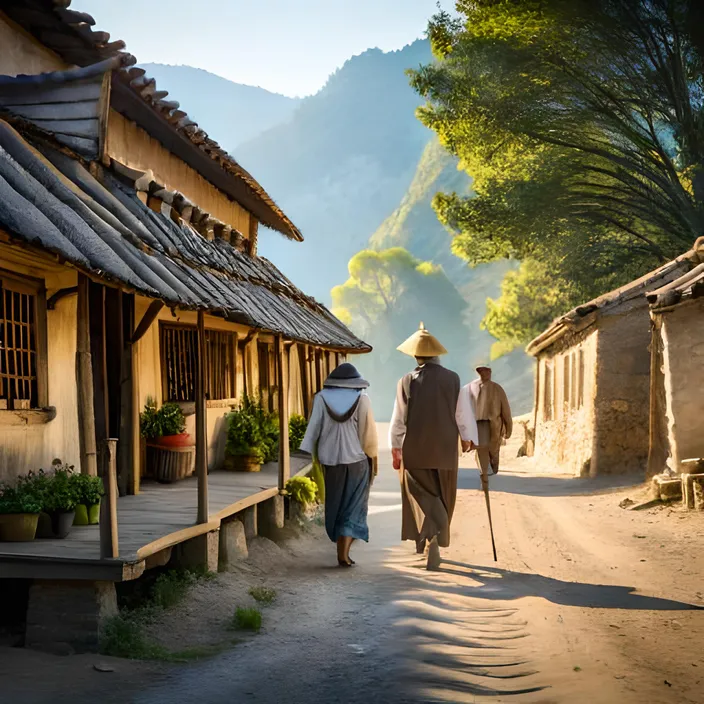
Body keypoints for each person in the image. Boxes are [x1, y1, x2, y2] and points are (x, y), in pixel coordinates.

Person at [389, 322, 476, 570]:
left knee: (422, 494)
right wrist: (468, 438)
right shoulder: (453, 379)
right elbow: (461, 414)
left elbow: (398, 420)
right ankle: (436, 537)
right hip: (446, 449)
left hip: (414, 449)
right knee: (444, 495)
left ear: (416, 356)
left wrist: (395, 447)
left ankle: (431, 538)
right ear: (437, 355)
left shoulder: (406, 381)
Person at [300, 362, 378, 567]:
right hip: (357, 461)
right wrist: (373, 455)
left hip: (330, 461)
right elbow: (368, 434)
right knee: (354, 505)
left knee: (335, 502)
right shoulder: (362, 399)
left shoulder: (320, 398)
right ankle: (344, 551)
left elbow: (313, 430)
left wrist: (310, 456)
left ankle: (340, 550)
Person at [461, 364, 512, 476]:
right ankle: (486, 469)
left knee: (492, 448)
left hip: (493, 424)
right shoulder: (471, 388)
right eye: (482, 371)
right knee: (482, 447)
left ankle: (492, 467)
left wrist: (509, 428)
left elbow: (506, 410)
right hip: (479, 424)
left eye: (486, 371)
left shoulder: (497, 388)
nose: (485, 373)